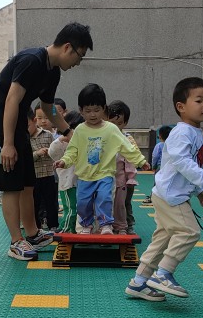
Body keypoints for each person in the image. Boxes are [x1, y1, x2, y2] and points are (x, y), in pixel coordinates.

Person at [0, 22, 93, 260]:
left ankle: (32, 234)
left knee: (27, 182)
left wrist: (68, 132)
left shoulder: (53, 72)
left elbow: (48, 108)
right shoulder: (31, 60)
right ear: (67, 47)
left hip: (17, 125)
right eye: (80, 56)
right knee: (11, 184)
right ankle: (15, 242)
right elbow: (12, 99)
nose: (78, 63)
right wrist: (8, 143)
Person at [125, 77, 203, 301]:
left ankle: (138, 282)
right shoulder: (182, 132)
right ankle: (163, 274)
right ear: (181, 106)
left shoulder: (194, 132)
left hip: (167, 194)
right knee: (189, 232)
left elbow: (189, 167)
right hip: (171, 196)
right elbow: (182, 162)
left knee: (162, 240)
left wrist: (199, 191)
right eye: (198, 101)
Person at [55, 84, 149, 234]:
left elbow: (126, 147)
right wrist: (64, 161)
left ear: (104, 108)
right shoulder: (80, 130)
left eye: (97, 110)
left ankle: (106, 225)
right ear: (81, 111)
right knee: (83, 203)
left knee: (104, 199)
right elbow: (73, 150)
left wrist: (141, 161)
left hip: (105, 174)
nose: (93, 115)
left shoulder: (111, 129)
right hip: (84, 175)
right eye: (88, 111)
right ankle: (86, 224)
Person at [48, 111, 84, 232]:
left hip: (82, 182)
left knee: (81, 209)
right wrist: (61, 139)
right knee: (70, 209)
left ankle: (76, 230)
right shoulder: (62, 143)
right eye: (71, 129)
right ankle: (65, 229)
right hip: (68, 184)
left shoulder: (83, 143)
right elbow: (52, 153)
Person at [106, 100, 136, 234]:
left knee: (123, 203)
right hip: (106, 177)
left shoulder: (127, 139)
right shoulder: (103, 137)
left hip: (123, 179)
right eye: (112, 123)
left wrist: (131, 177)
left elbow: (132, 158)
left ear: (125, 123)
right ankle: (107, 225)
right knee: (106, 202)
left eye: (119, 124)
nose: (116, 127)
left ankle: (125, 225)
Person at [28, 109, 59, 230]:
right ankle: (36, 227)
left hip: (49, 175)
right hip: (34, 177)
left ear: (34, 121)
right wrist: (37, 153)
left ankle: (53, 225)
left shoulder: (48, 134)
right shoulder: (25, 138)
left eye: (27, 126)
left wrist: (50, 152)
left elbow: (55, 150)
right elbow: (25, 159)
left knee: (51, 202)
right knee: (34, 204)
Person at [140, 125, 172, 206]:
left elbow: (155, 156)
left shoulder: (159, 145)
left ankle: (152, 198)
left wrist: (153, 166)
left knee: (157, 183)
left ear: (160, 136)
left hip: (160, 167)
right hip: (171, 168)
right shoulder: (173, 145)